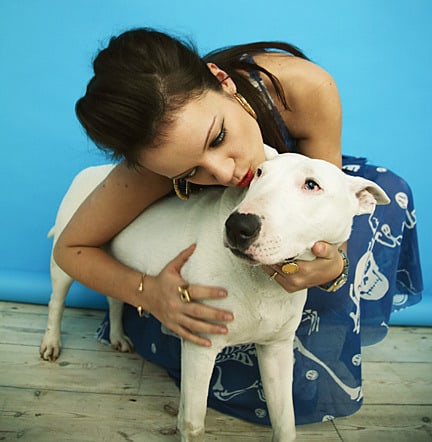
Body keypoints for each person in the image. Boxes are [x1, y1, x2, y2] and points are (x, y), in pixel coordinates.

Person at [54, 28, 423, 425]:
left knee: (387, 197)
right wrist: (150, 294)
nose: (228, 173)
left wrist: (334, 268)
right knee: (219, 348)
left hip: (305, 199)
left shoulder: (303, 87)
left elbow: (330, 204)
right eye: (190, 172)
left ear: (222, 81)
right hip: (225, 247)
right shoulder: (154, 161)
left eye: (219, 137)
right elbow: (70, 249)